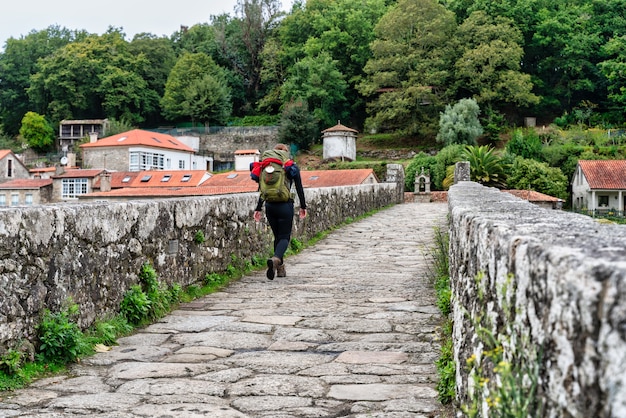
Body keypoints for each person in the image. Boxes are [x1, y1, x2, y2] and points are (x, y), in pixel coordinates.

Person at [253, 144, 307, 280]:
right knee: (284, 237)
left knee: (277, 236)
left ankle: (280, 269)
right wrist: (303, 206)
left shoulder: (265, 166)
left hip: (270, 206)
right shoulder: (290, 166)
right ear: (286, 153)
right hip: (285, 205)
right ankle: (276, 259)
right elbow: (299, 188)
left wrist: (258, 208)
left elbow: (262, 188)